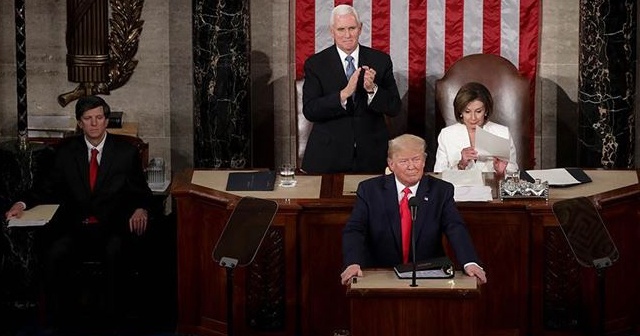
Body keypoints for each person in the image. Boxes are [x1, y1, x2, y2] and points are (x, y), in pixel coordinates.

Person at [4, 95, 153, 330]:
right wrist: (21, 204)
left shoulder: (125, 152)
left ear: (106, 121)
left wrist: (140, 208)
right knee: (53, 253)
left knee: (117, 252)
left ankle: (112, 322)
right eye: (88, 119)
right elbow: (45, 188)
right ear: (79, 123)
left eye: (99, 118)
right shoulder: (65, 152)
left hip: (112, 227)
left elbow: (141, 191)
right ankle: (62, 322)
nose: (94, 123)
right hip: (75, 227)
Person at [341, 134, 486, 285]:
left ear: (424, 161)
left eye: (416, 159)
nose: (411, 166)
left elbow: (455, 227)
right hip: (380, 272)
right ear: (391, 164)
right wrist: (353, 262)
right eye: (404, 161)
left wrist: (470, 262)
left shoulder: (441, 191)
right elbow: (355, 229)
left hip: (428, 274)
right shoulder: (370, 190)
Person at [301, 4, 401, 174]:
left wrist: (372, 89)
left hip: (372, 153)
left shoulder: (380, 60)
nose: (347, 35)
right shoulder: (316, 64)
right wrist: (343, 94)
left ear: (360, 28)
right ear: (332, 31)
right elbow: (310, 110)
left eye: (352, 28)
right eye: (341, 29)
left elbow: (394, 107)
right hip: (328, 155)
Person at [433, 82, 518, 175]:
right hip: (459, 188)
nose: (473, 118)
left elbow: (514, 172)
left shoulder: (502, 133)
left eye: (478, 111)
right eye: (467, 111)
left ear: (486, 111)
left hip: (492, 187)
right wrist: (461, 165)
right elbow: (438, 175)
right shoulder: (447, 135)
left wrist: (501, 172)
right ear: (460, 112)